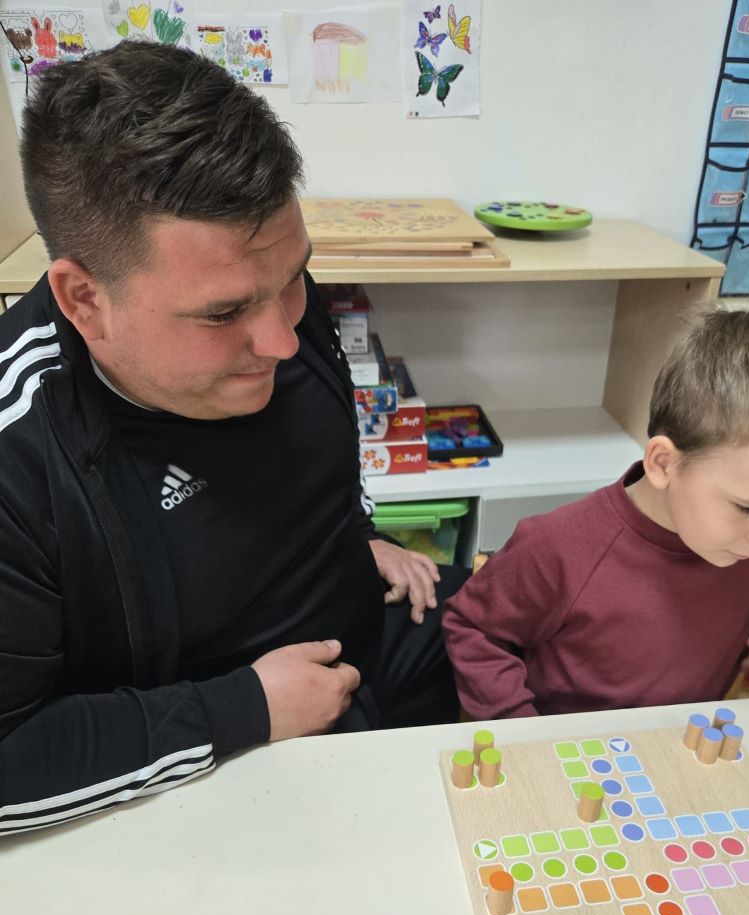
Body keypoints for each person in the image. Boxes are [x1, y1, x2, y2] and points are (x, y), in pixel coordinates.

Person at [0, 42, 465, 833]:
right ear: (84, 300)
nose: (282, 340)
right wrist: (240, 710)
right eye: (223, 314)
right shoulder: (21, 454)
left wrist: (359, 533)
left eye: (292, 279)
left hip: (370, 647)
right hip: (221, 762)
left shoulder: (267, 285)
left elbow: (307, 457)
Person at [443, 301, 749, 719]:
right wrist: (519, 727)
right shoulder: (558, 547)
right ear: (664, 463)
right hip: (567, 746)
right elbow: (473, 628)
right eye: (747, 508)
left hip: (681, 740)